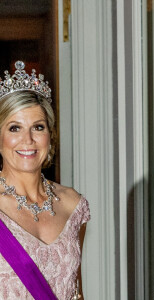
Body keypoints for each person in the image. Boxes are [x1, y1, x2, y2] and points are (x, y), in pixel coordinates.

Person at [0, 61, 90, 299]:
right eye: (14, 128)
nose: (28, 140)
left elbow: (77, 292)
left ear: (50, 135)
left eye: (38, 127)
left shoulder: (73, 205)